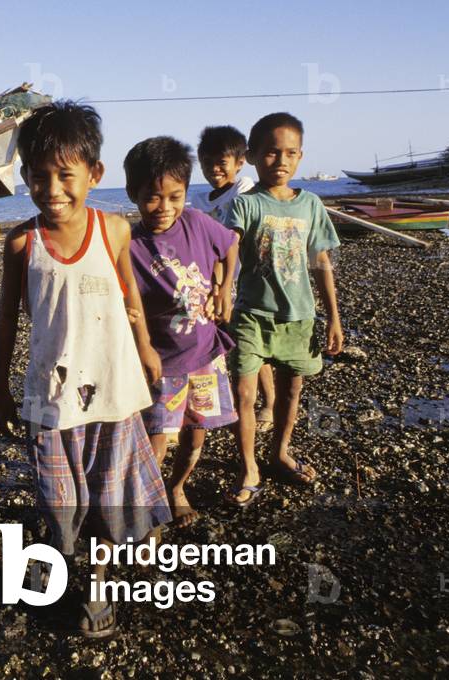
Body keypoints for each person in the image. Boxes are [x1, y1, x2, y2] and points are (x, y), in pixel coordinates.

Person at [0, 101, 169, 638]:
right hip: (51, 399)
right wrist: (1, 390)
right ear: (25, 177)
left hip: (113, 390)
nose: (52, 190)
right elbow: (5, 320)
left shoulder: (113, 230)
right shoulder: (23, 243)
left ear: (93, 174)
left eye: (65, 176)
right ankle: (62, 560)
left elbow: (129, 295)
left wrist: (145, 347)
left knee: (107, 497)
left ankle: (96, 583)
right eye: (38, 177)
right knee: (62, 499)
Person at [224, 112, 343, 507]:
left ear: (301, 156)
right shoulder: (245, 204)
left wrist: (334, 317)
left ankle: (279, 453)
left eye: (291, 153)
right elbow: (227, 251)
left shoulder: (310, 204)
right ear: (253, 155)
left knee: (292, 393)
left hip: (299, 318)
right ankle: (249, 467)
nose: (281, 161)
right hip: (251, 316)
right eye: (272, 152)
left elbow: (321, 262)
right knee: (244, 394)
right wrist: (221, 291)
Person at [124, 137, 239, 527]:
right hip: (164, 364)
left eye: (175, 196)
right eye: (153, 197)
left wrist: (224, 290)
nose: (165, 207)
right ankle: (148, 512)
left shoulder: (197, 222)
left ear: (186, 194)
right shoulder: (130, 245)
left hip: (206, 357)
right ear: (133, 194)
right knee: (157, 441)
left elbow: (231, 245)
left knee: (196, 435)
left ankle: (177, 488)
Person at [194, 125, 276, 432]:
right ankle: (232, 406)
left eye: (221, 163)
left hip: (245, 282)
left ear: (239, 162)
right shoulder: (200, 201)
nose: (214, 169)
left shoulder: (243, 188)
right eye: (207, 163)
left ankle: (268, 403)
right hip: (213, 282)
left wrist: (223, 284)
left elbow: (232, 238)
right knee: (227, 346)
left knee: (253, 348)